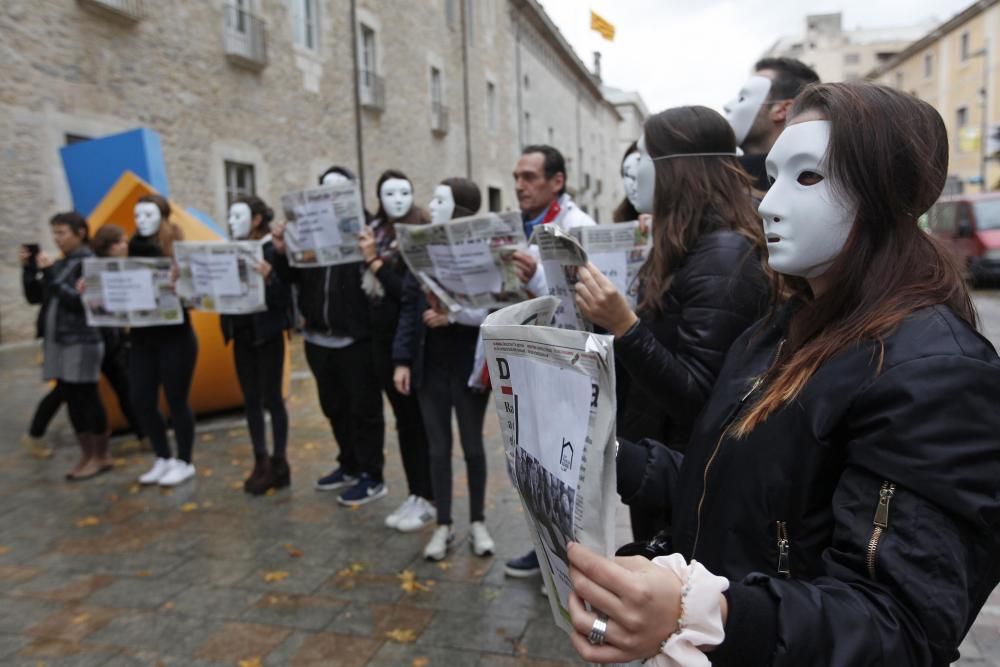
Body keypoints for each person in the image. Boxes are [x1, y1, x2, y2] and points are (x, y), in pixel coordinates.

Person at [565, 83, 1000, 666]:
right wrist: (611, 458)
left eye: (808, 177)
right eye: (771, 177)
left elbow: (902, 624)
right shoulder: (780, 327)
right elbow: (739, 485)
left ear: (883, 190)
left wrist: (710, 614)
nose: (769, 203)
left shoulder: (936, 373)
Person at [574, 106, 770, 541]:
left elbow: (701, 396)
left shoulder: (722, 255)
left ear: (676, 169)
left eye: (642, 156)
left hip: (684, 476)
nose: (632, 170)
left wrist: (624, 326)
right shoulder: (687, 240)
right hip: (657, 464)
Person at [392, 177, 496, 561]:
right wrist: (401, 360)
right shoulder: (421, 247)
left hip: (469, 366)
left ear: (461, 210)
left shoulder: (482, 250)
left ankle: (478, 522)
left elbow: (494, 306)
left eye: (441, 200)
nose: (431, 206)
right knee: (438, 447)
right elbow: (408, 307)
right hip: (429, 366)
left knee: (472, 446)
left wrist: (452, 316)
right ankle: (444, 526)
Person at [505, 145, 596, 579]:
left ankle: (571, 567)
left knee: (569, 471)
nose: (520, 185)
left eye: (529, 177)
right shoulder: (522, 228)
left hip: (570, 367)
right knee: (537, 466)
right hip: (532, 365)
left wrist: (533, 278)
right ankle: (546, 552)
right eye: (516, 178)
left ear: (556, 181)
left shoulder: (578, 227)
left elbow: (590, 304)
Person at [272, 168, 387, 506]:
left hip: (356, 338)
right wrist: (281, 251)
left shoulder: (368, 232)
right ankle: (348, 464)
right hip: (318, 338)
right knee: (334, 407)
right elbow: (289, 277)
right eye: (324, 189)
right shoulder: (306, 230)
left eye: (339, 189)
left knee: (364, 410)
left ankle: (372, 475)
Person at [359, 169, 435, 531]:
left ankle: (428, 496)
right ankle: (416, 492)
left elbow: (404, 291)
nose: (399, 200)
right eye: (390, 193)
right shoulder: (375, 230)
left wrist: (374, 261)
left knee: (417, 422)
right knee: (403, 422)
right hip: (380, 340)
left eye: (405, 192)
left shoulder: (417, 233)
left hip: (409, 341)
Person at [20, 212, 109, 480]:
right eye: (54, 233)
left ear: (80, 232)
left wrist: (49, 274)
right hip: (59, 341)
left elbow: (79, 302)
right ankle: (86, 454)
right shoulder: (63, 263)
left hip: (82, 340)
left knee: (87, 397)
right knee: (71, 398)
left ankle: (101, 456)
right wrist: (29, 270)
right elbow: (37, 297)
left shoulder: (90, 263)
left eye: (62, 233)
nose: (57, 239)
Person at [222, 196, 294, 495]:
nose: (230, 222)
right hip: (241, 334)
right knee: (250, 399)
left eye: (237, 216)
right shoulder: (229, 250)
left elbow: (286, 297)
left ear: (255, 219)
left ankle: (279, 461)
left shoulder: (272, 250)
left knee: (272, 398)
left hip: (267, 334)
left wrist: (271, 277)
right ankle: (260, 458)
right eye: (229, 216)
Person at [130, 194, 200, 487]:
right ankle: (163, 456)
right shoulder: (132, 247)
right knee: (142, 399)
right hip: (142, 335)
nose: (141, 221)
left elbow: (195, 295)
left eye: (148, 215)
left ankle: (184, 460)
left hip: (175, 336)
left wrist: (181, 283)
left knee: (176, 399)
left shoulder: (177, 248)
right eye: (137, 215)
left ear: (162, 216)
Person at [723, 57, 819, 194]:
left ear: (782, 109)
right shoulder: (715, 176)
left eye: (743, 98)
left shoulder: (811, 181)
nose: (727, 106)